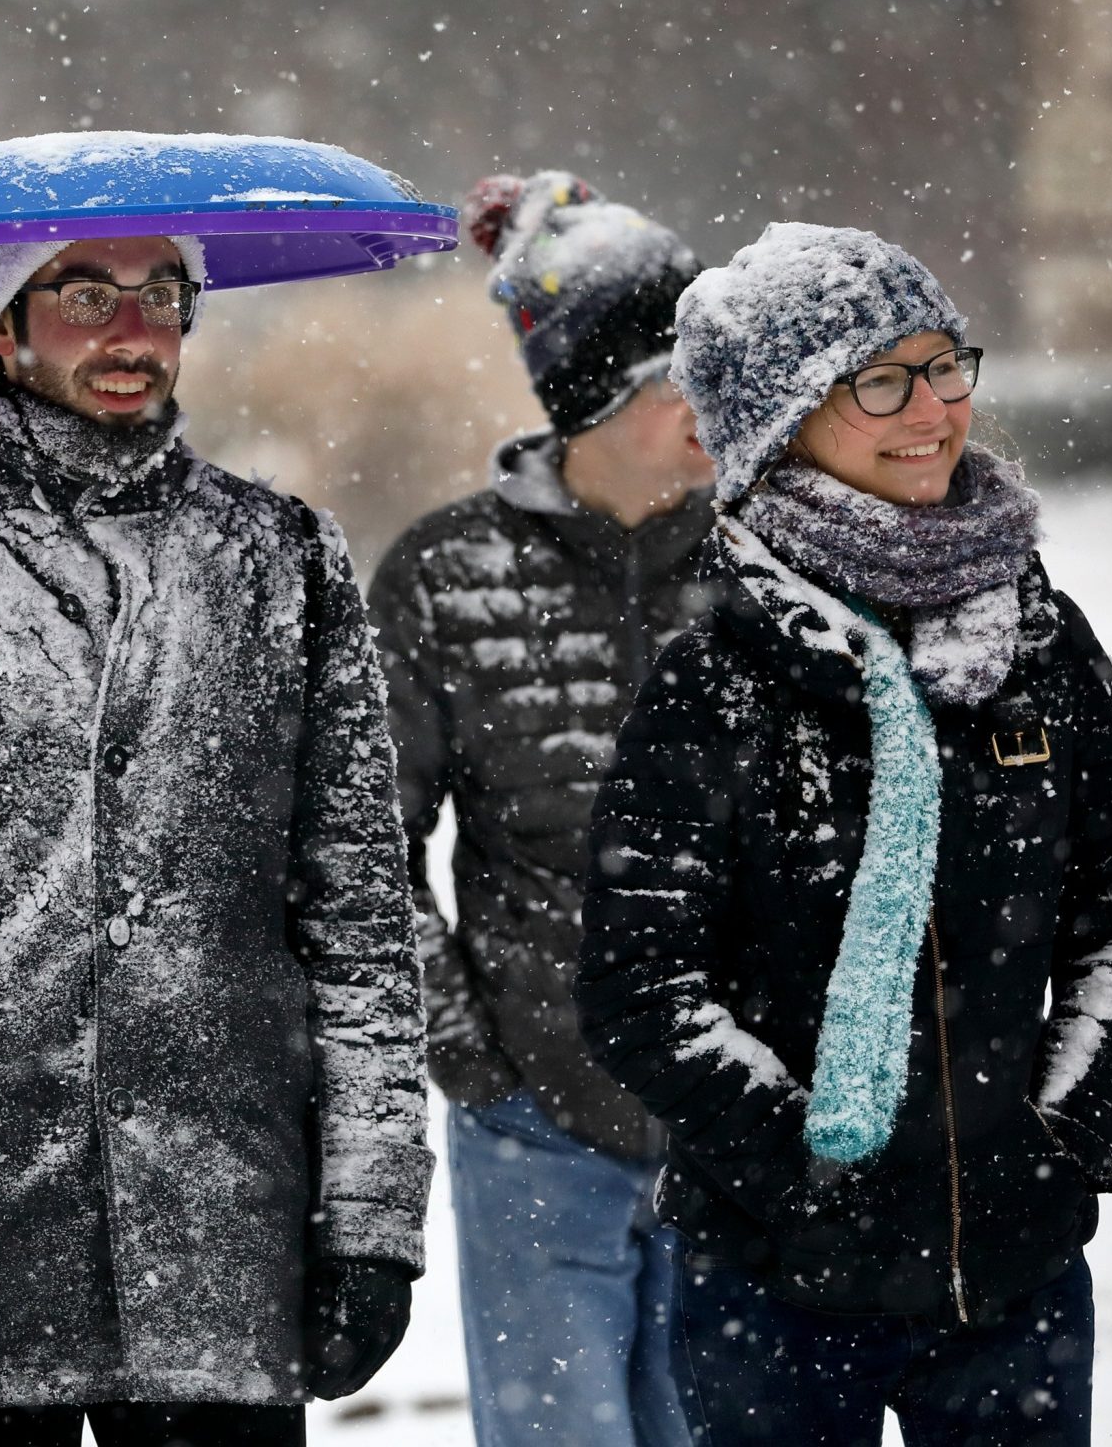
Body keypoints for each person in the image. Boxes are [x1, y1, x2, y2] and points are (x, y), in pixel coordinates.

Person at [0, 229, 432, 1447]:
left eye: (161, 294)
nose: (132, 330)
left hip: (225, 1246)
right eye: (82, 296)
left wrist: (370, 1214)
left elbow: (360, 926)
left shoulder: (282, 562)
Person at [574, 222, 1112, 1445]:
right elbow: (640, 987)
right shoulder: (716, 678)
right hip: (773, 1292)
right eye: (878, 380)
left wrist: (1059, 1141)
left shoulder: (1040, 642)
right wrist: (807, 1172)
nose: (932, 409)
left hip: (1010, 1286)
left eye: (944, 364)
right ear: (776, 421)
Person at [366, 170, 710, 1447]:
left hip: (737, 1131)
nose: (709, 398)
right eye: (677, 370)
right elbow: (359, 852)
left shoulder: (763, 565)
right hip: (534, 1129)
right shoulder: (444, 577)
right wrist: (474, 1062)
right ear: (592, 394)